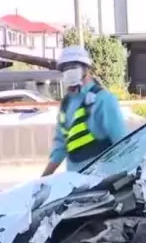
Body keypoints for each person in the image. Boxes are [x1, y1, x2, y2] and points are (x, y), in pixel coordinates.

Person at [41, 45, 128, 176]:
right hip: (75, 180)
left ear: (86, 69)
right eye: (65, 68)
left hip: (102, 179)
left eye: (73, 66)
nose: (69, 71)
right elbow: (60, 146)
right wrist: (43, 178)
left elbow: (122, 143)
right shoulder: (66, 104)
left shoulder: (103, 99)